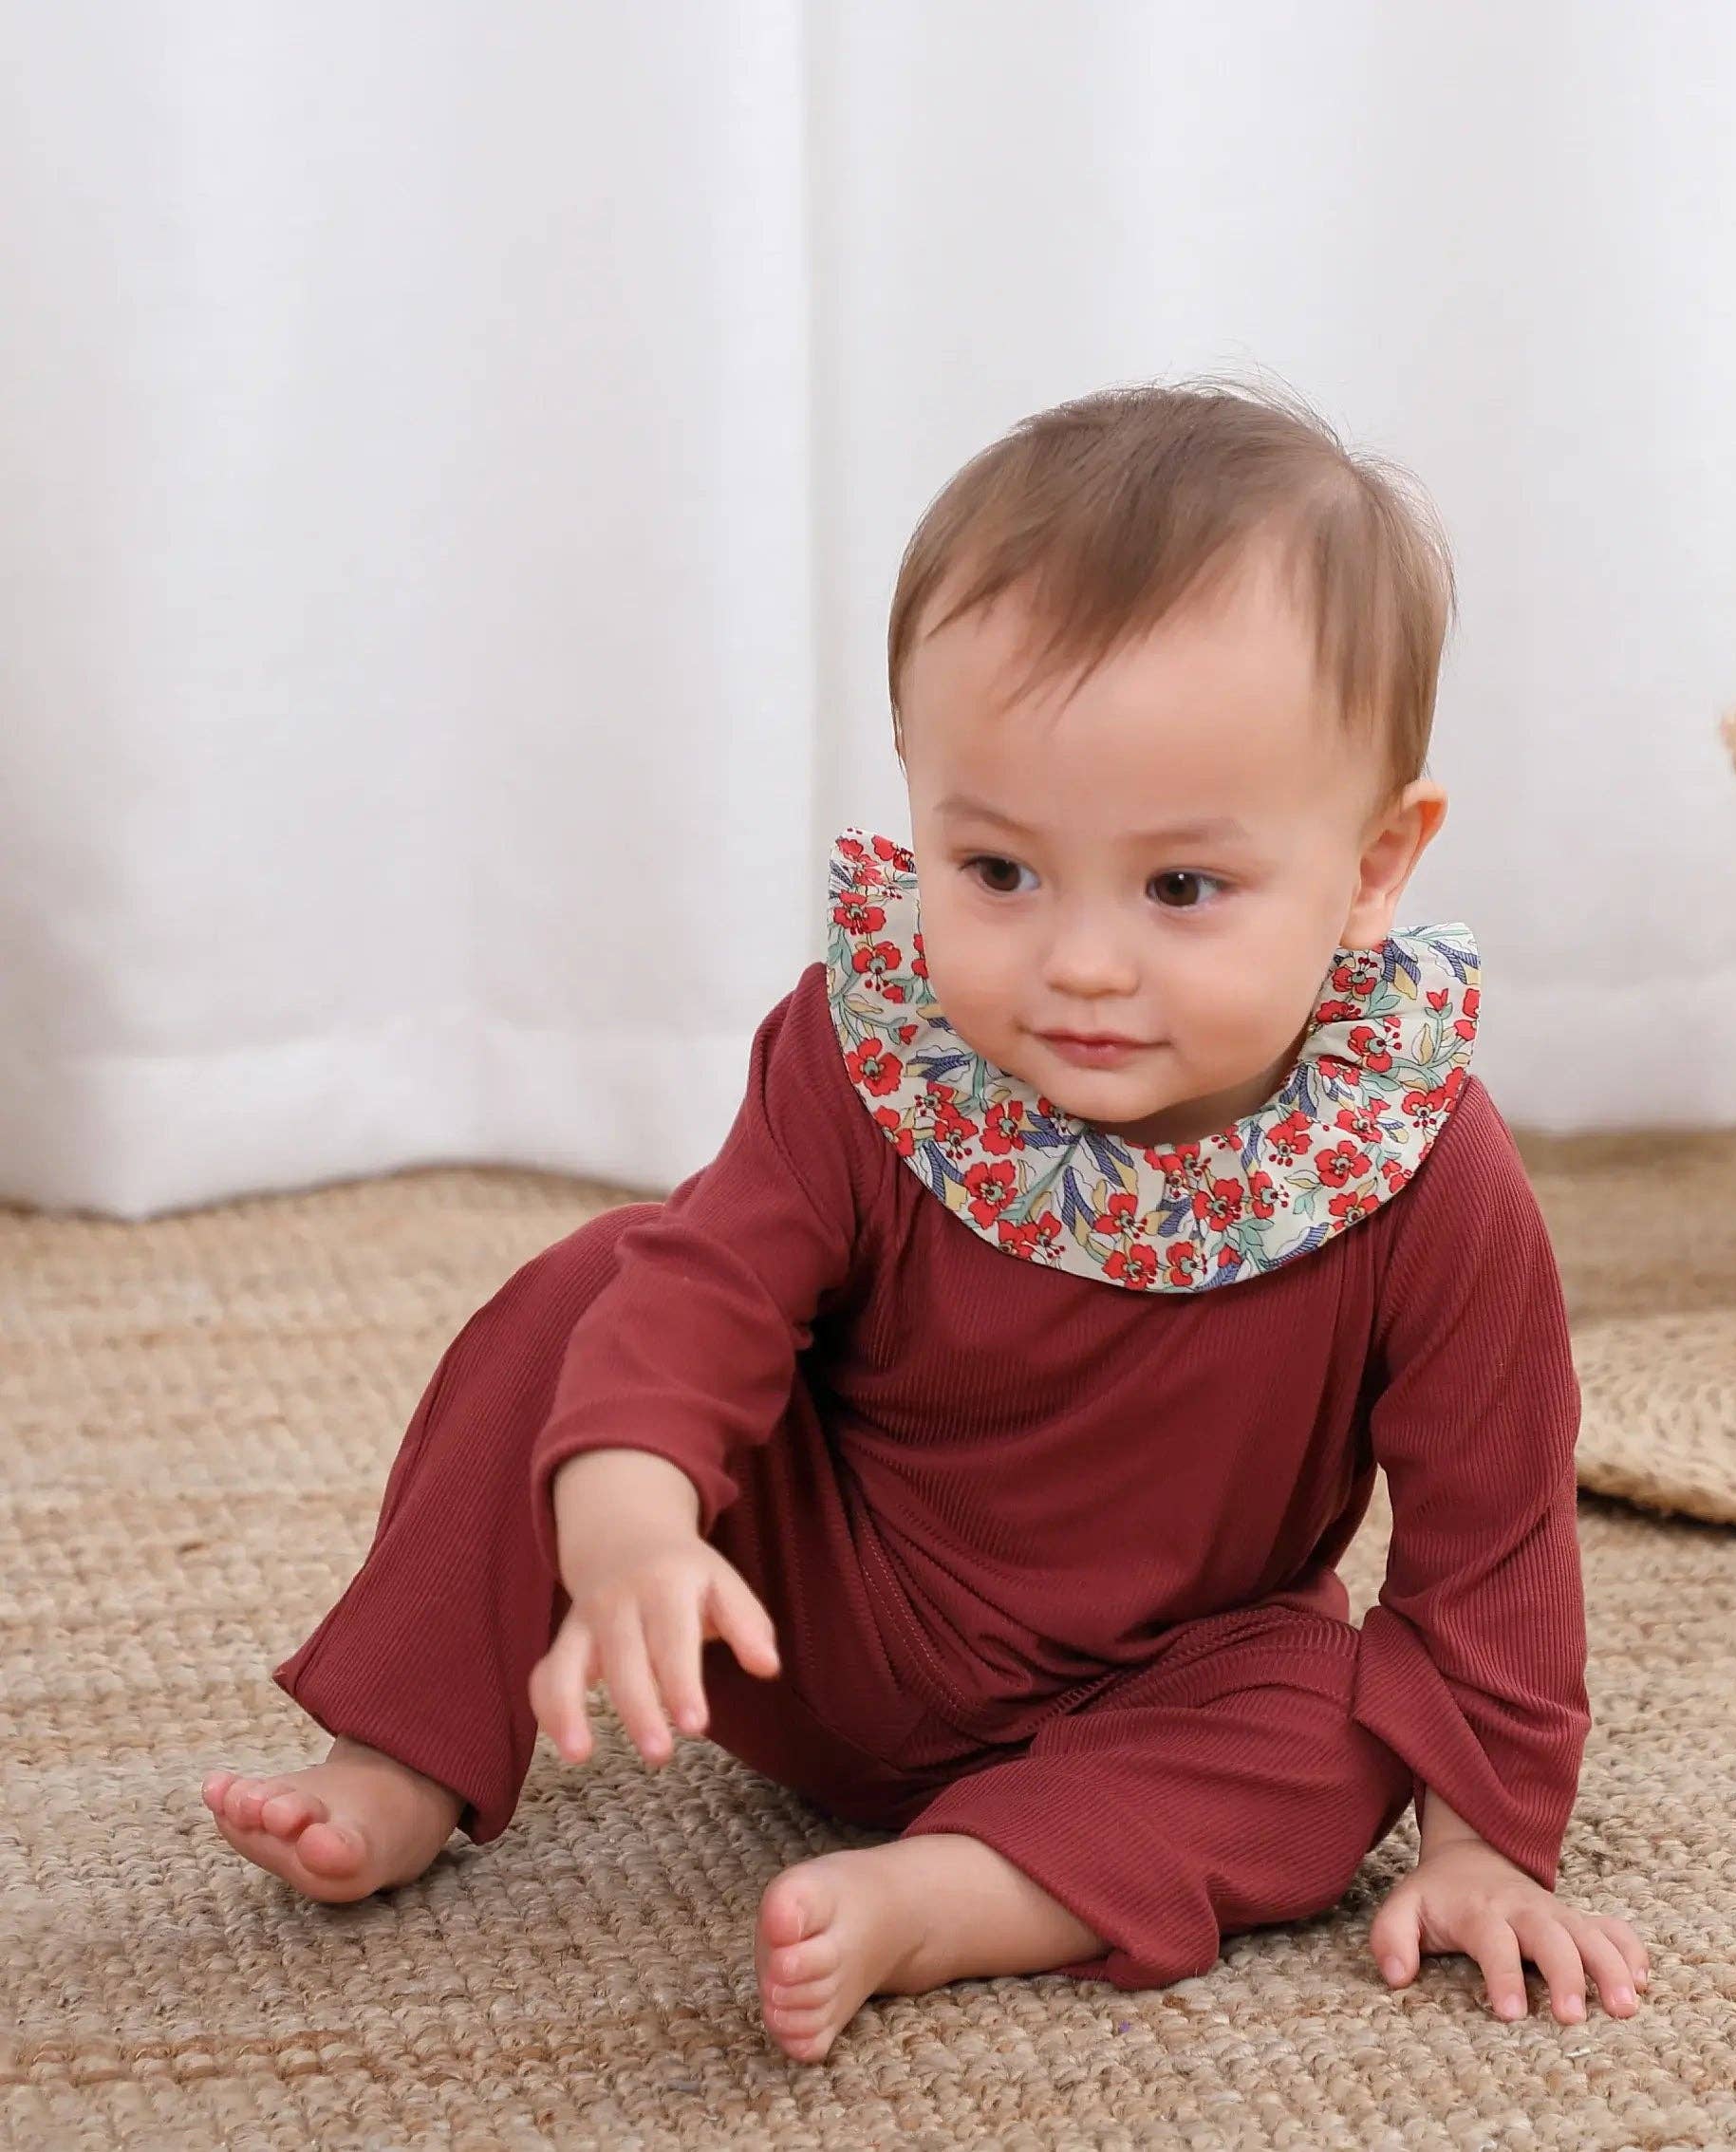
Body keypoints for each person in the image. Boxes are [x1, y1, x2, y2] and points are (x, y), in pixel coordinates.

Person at [202, 378, 1651, 2064]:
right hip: (804, 1614)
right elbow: (706, 1301)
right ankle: (404, 1750)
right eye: (999, 871)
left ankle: (946, 1896)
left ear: (1375, 867)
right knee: (602, 1283)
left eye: (1183, 888)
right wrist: (635, 1518)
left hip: (1158, 1685)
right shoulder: (875, 1055)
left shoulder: (1418, 1164)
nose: (1081, 963)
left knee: (1336, 1726)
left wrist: (1484, 1850)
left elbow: (1492, 1535)